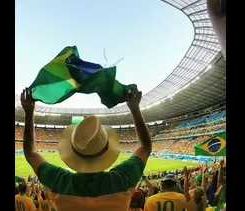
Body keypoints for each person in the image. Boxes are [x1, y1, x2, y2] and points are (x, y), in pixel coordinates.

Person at [20, 86, 152, 211]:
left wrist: (29, 112)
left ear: (73, 150)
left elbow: (30, 152)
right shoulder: (121, 180)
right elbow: (145, 146)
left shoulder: (59, 181)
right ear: (107, 149)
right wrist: (135, 109)